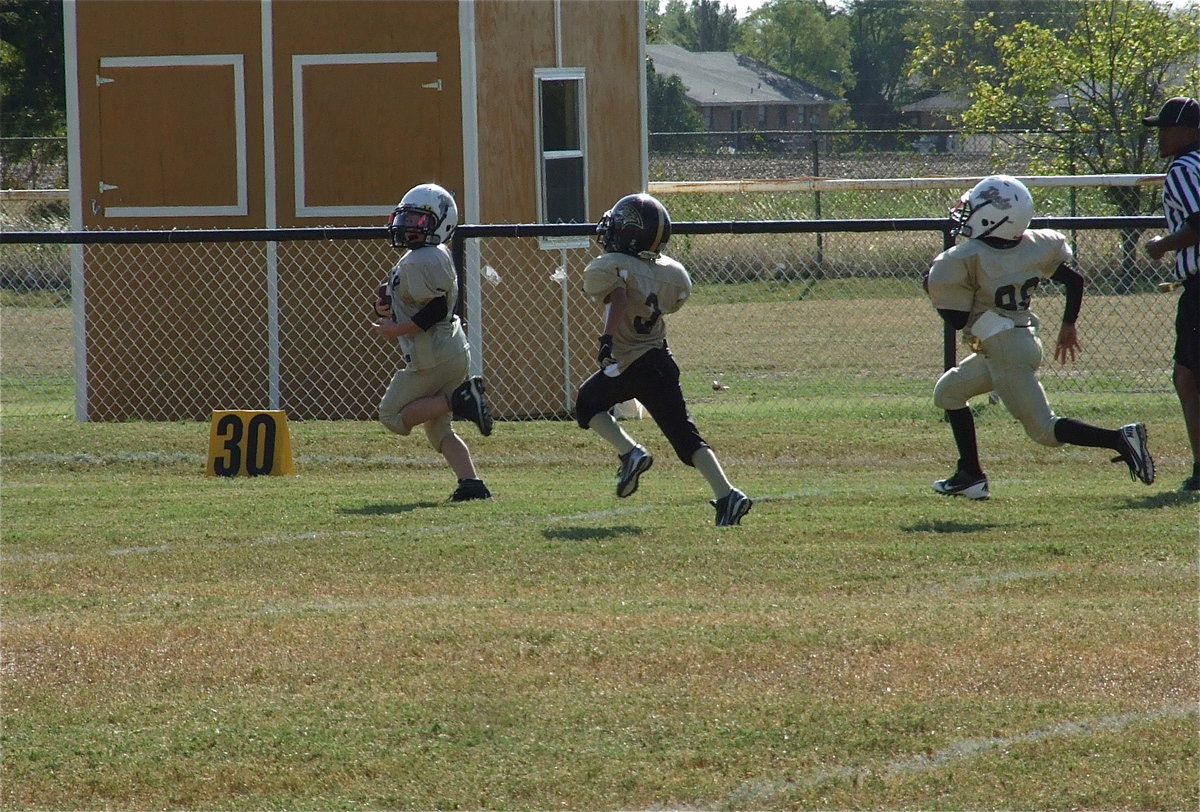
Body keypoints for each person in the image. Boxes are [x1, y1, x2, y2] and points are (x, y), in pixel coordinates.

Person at [924, 175, 1155, 499]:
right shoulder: (1032, 245)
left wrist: (932, 289)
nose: (966, 212)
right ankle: (970, 476)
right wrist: (1067, 325)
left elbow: (957, 318)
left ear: (995, 217)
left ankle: (1120, 438)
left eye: (976, 207)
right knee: (948, 392)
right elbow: (1074, 281)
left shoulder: (967, 256)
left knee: (1044, 431)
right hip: (1017, 341)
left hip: (1005, 348)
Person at [575, 193, 752, 526]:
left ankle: (631, 453)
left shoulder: (611, 268)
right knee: (686, 438)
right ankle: (728, 495)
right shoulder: (671, 274)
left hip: (633, 363)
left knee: (586, 403)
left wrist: (607, 339)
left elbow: (618, 298)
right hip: (659, 360)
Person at [370, 183, 494, 502]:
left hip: (433, 353)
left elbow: (436, 307)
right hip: (451, 348)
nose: (409, 228)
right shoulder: (427, 255)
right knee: (439, 429)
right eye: (407, 220)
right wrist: (388, 305)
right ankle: (471, 484)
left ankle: (461, 399)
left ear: (441, 223)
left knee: (392, 415)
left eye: (419, 222)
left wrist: (395, 330)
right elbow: (415, 300)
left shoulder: (421, 259)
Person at [1142, 96, 1200, 492]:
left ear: (1190, 130)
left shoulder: (1183, 168)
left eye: (1166, 128)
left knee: (1188, 378)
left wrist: (1163, 245)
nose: (1160, 135)